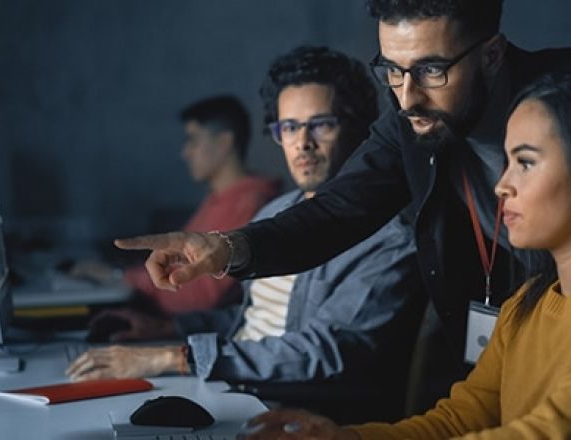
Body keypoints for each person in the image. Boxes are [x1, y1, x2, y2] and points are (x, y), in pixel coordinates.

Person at [113, 0, 571, 371]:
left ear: (491, 55)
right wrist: (224, 248)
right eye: (392, 69)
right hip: (505, 346)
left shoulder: (560, 96)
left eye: (433, 70)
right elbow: (336, 211)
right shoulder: (410, 118)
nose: (408, 96)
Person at [67, 46, 425, 423]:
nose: (302, 143)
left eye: (321, 124)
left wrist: (175, 357)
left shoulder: (389, 240)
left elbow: (326, 351)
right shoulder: (275, 214)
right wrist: (167, 329)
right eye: (289, 127)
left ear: (357, 129)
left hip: (289, 413)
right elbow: (253, 324)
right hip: (230, 388)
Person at [240, 72, 571, 440]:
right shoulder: (524, 306)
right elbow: (460, 418)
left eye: (524, 162)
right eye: (506, 162)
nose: (501, 185)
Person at [77, 95, 280, 321]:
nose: (185, 152)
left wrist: (121, 277)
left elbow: (197, 298)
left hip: (193, 331)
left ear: (224, 143)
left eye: (193, 140)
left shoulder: (248, 203)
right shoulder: (220, 197)